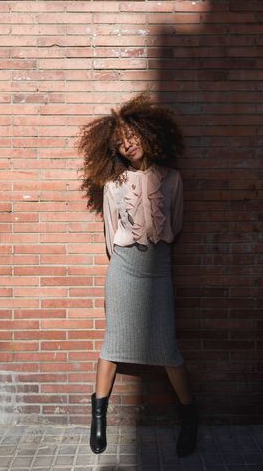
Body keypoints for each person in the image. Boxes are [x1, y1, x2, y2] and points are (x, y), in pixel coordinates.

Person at [77, 93, 199, 458]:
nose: (127, 145)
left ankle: (190, 418)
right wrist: (128, 260)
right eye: (119, 143)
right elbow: (111, 235)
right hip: (124, 270)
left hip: (159, 270)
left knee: (167, 350)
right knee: (112, 344)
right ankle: (98, 420)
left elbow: (174, 227)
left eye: (131, 136)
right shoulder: (113, 184)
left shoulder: (173, 180)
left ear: (148, 134)